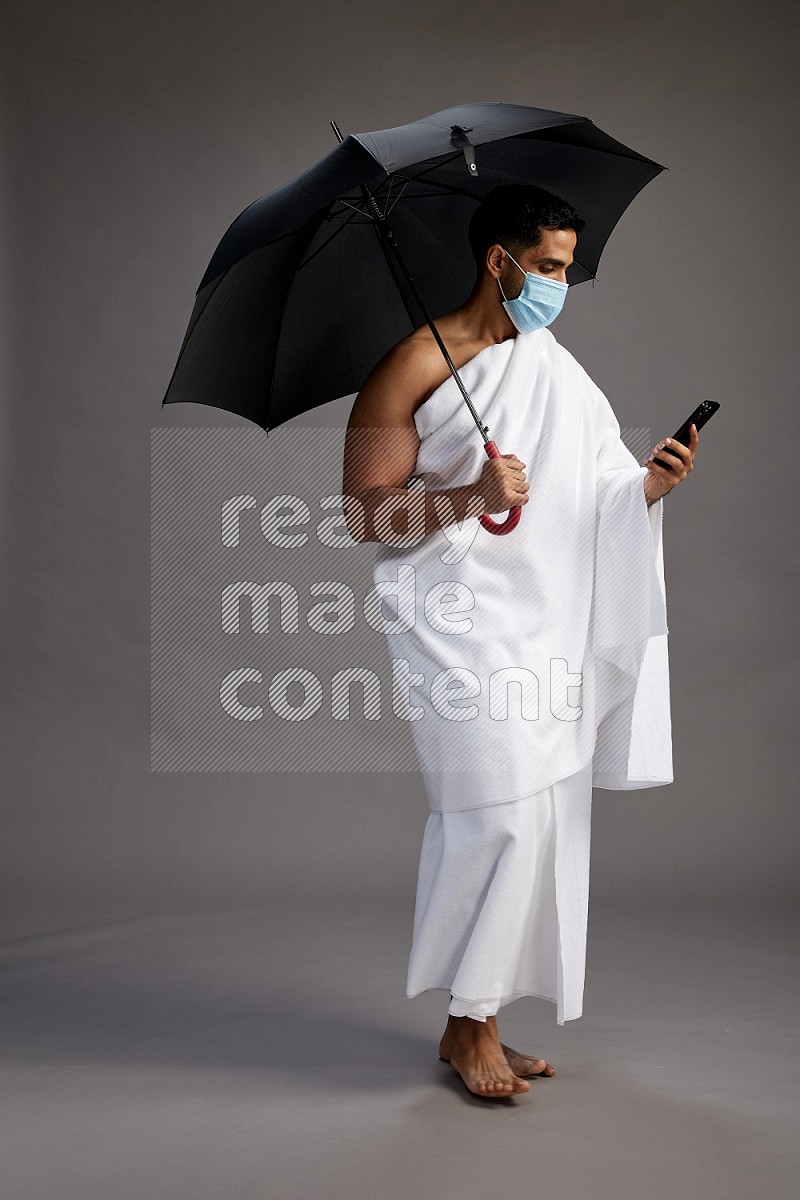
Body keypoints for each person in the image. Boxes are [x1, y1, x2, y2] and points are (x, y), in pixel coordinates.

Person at [342, 185, 699, 1099]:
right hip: (455, 622)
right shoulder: (410, 365)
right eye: (547, 267)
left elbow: (597, 491)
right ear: (498, 262)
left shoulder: (551, 363)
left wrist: (648, 488)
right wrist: (473, 496)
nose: (560, 285)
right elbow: (367, 515)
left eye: (567, 269)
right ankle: (470, 1024)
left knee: (542, 818)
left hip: (545, 619)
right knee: (493, 813)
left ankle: (478, 1020)